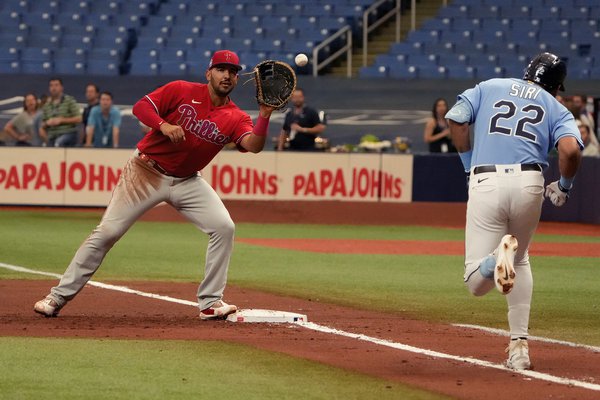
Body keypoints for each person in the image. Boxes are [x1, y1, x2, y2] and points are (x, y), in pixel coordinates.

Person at [33, 50, 275, 320]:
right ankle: (56, 297)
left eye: (232, 71)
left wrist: (264, 115)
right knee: (107, 232)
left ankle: (210, 302)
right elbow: (141, 107)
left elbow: (253, 145)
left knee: (224, 227)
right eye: (221, 69)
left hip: (187, 180)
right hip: (145, 171)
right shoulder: (181, 90)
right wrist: (163, 125)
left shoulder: (236, 116)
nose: (227, 75)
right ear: (209, 73)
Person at [445, 52, 582, 370]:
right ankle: (519, 348)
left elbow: (456, 118)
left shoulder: (489, 86)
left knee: (475, 283)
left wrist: (468, 167)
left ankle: (496, 259)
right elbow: (570, 150)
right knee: (521, 260)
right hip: (530, 182)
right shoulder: (555, 107)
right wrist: (563, 186)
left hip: (487, 179)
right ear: (556, 86)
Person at [39, 78, 82, 147]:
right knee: (47, 145)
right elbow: (42, 125)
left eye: (56, 85)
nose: (54, 88)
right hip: (52, 135)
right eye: (51, 86)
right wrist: (47, 123)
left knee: (58, 143)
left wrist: (62, 120)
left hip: (68, 133)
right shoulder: (47, 105)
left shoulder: (69, 101)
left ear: (61, 88)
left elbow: (79, 118)